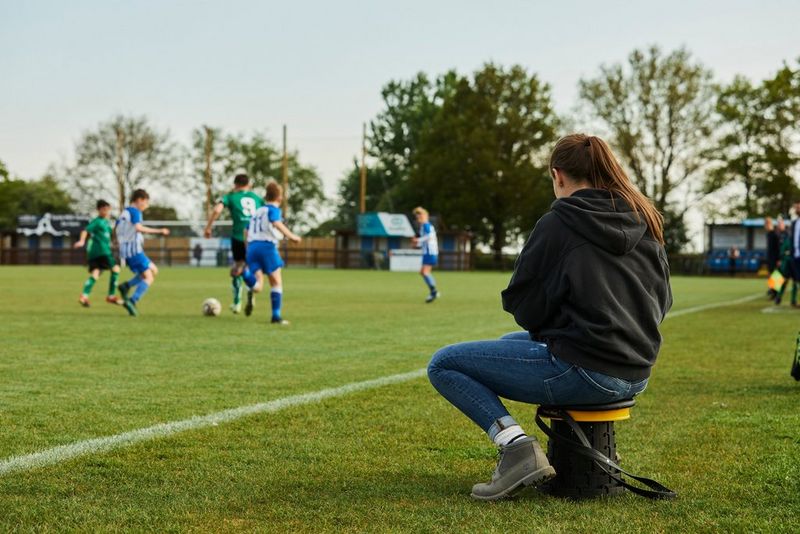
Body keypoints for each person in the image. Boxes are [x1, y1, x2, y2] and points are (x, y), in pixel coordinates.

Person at [427, 133, 672, 501]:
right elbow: (663, 300)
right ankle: (590, 450)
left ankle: (516, 448)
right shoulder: (643, 218)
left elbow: (523, 304)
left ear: (558, 175)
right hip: (636, 372)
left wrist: (554, 322)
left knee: (444, 363)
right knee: (509, 345)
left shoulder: (559, 222)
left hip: (589, 371)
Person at [241, 182, 301, 325]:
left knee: (258, 286)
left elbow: (246, 231)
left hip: (252, 247)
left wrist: (247, 248)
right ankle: (276, 316)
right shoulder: (273, 209)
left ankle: (245, 274)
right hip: (267, 246)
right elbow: (276, 223)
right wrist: (292, 236)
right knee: (276, 282)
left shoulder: (257, 211)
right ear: (280, 198)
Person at [204, 174, 264, 313]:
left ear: (235, 185)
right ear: (248, 184)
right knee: (250, 268)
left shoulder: (230, 197)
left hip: (238, 237)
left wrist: (208, 227)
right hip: (255, 239)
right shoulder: (257, 198)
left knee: (237, 268)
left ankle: (237, 302)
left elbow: (217, 209)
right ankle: (251, 288)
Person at [115, 189, 170, 316]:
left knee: (154, 270)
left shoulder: (124, 212)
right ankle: (132, 301)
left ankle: (126, 286)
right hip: (134, 251)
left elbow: (116, 229)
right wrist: (160, 231)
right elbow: (138, 228)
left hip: (128, 250)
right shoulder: (135, 212)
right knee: (149, 277)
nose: (146, 206)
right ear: (139, 200)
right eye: (146, 202)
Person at [73, 199, 122, 307]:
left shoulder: (106, 223)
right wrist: (82, 241)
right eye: (104, 209)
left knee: (96, 273)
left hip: (94, 253)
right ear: (98, 210)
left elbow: (109, 236)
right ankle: (111, 295)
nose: (106, 212)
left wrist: (115, 242)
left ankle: (84, 296)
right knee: (116, 269)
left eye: (108, 209)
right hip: (102, 251)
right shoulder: (97, 221)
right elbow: (85, 230)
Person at [411, 207, 440, 303]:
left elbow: (429, 236)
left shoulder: (426, 225)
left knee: (424, 272)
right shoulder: (423, 226)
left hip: (430, 252)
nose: (418, 217)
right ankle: (434, 291)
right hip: (428, 251)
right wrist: (417, 243)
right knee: (423, 272)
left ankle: (434, 292)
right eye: (417, 215)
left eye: (420, 214)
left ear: (425, 216)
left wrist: (417, 240)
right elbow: (425, 240)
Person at [766, 217, 780, 298]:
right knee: (771, 275)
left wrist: (778, 259)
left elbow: (777, 248)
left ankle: (776, 292)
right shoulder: (768, 234)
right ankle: (772, 290)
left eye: (767, 223)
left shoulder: (774, 234)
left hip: (775, 259)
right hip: (770, 258)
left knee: (775, 275)